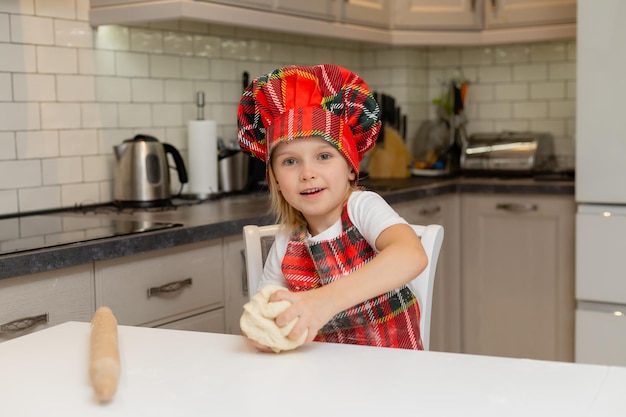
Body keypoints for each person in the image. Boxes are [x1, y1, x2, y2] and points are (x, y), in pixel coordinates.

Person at [237, 64, 428, 350]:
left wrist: (324, 301)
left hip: (391, 373)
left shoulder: (361, 207)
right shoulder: (287, 241)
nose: (307, 173)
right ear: (275, 180)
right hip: (318, 378)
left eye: (324, 156)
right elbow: (268, 310)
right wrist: (265, 332)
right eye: (290, 161)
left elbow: (411, 255)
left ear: (351, 168)